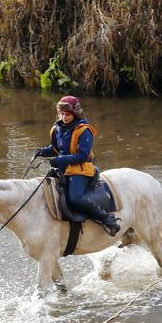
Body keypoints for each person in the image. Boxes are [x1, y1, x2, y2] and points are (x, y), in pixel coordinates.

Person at [35, 95, 121, 236]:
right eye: (62, 114)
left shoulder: (84, 130)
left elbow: (82, 155)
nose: (64, 117)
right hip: (63, 169)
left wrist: (60, 160)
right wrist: (42, 152)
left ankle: (107, 218)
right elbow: (56, 149)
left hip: (81, 169)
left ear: (75, 113)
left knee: (75, 199)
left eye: (67, 114)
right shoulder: (57, 129)